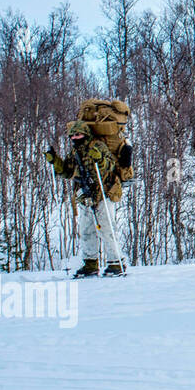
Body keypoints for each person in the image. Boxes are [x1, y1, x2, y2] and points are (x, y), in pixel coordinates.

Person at [46, 119, 125, 278]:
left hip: (103, 191)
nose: (75, 138)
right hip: (84, 194)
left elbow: (109, 165)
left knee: (107, 228)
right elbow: (68, 172)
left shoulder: (97, 146)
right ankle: (90, 263)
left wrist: (99, 159)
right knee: (86, 230)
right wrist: (55, 161)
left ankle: (116, 262)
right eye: (73, 135)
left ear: (86, 134)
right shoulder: (75, 152)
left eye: (78, 134)